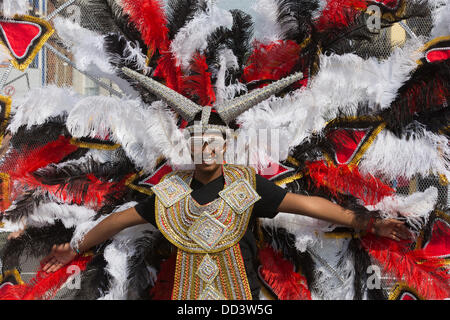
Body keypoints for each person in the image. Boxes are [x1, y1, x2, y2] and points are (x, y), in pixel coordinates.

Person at [41, 69, 411, 300]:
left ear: (226, 145)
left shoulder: (248, 187)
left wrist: (367, 223)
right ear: (190, 145)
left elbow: (306, 206)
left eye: (214, 140)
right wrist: (76, 247)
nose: (206, 148)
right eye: (199, 141)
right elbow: (119, 220)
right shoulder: (170, 194)